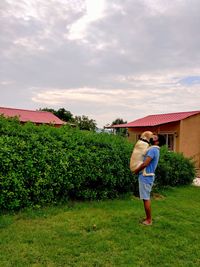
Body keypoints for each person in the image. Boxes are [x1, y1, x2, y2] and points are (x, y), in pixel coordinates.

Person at [134, 134, 166, 226]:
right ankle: (148, 218)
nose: (152, 138)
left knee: (146, 198)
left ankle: (149, 220)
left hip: (146, 177)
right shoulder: (155, 149)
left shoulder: (153, 150)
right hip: (147, 176)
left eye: (155, 137)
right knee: (145, 198)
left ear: (158, 142)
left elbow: (145, 163)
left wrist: (136, 170)